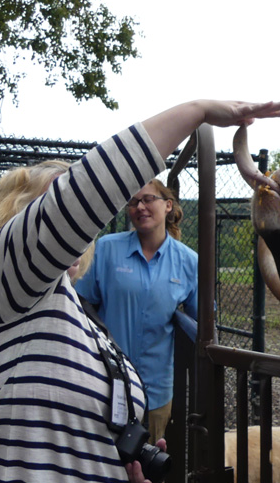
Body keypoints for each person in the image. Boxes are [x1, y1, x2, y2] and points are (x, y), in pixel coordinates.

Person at [0, 99, 280, 483]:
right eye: (58, 209)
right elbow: (85, 195)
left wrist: (117, 467)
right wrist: (196, 112)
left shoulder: (68, 307)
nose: (77, 226)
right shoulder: (5, 282)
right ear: (15, 220)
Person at [75, 178, 196, 448]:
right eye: (133, 202)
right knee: (100, 464)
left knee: (142, 471)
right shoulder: (107, 248)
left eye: (147, 199)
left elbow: (200, 322)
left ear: (168, 206)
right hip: (105, 383)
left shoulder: (189, 262)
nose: (139, 206)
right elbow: (82, 302)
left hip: (157, 389)